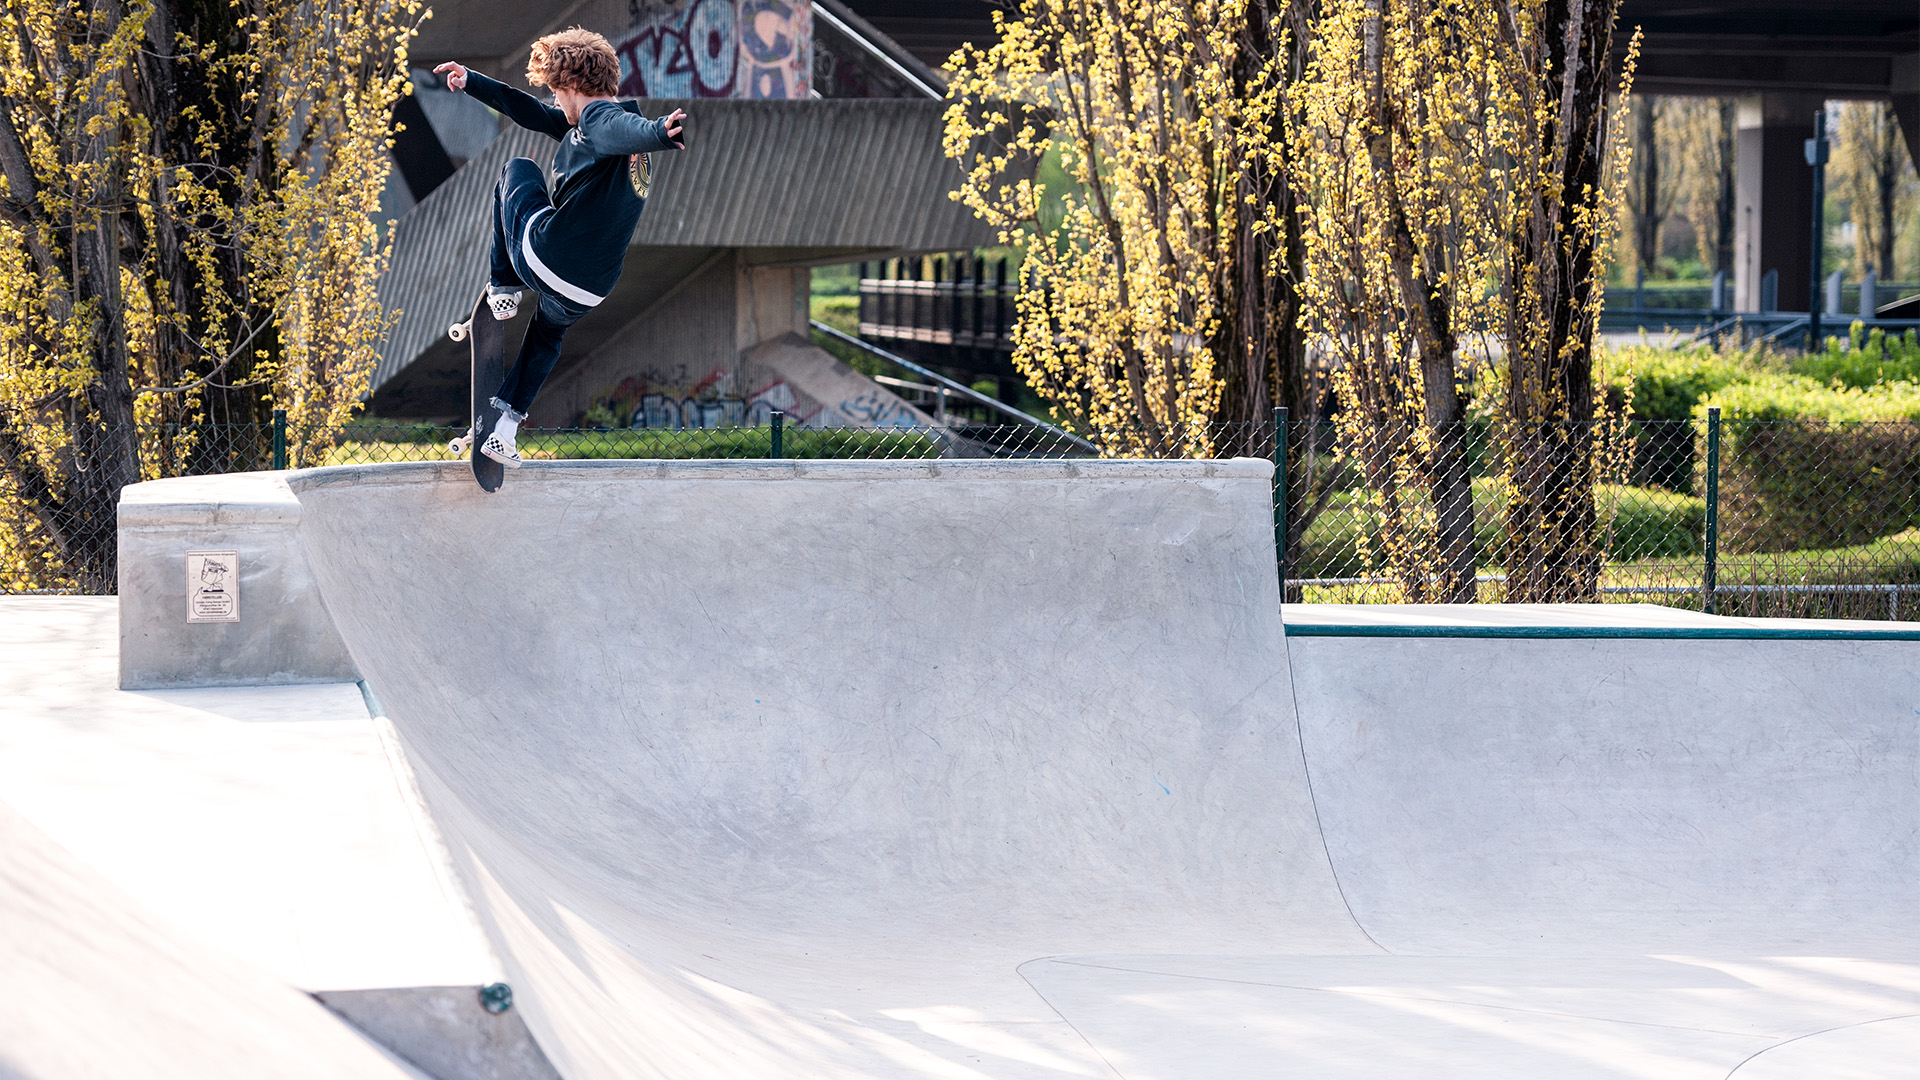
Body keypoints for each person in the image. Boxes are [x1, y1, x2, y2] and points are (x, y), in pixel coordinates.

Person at [434, 29, 686, 467]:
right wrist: (473, 81)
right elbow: (528, 110)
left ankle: (503, 287)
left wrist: (658, 132)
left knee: (517, 169)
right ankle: (505, 433)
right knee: (546, 336)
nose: (555, 104)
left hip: (549, 256)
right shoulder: (599, 139)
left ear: (571, 87)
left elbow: (620, 126)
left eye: (555, 93)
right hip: (590, 289)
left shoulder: (598, 120)